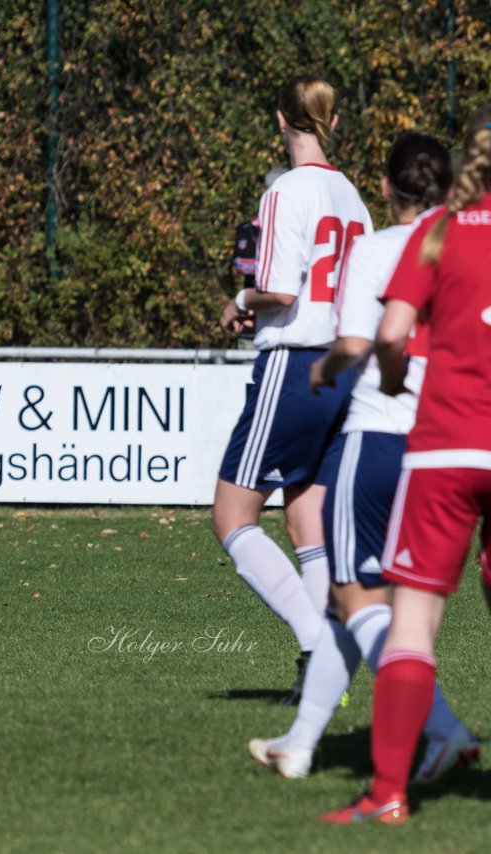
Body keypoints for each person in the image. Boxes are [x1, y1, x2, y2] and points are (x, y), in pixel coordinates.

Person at [249, 133, 476, 780]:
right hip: (441, 439)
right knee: (355, 601)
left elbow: (357, 342)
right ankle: (299, 742)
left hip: (378, 433)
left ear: (385, 188)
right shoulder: (463, 244)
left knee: (355, 596)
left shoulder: (377, 250)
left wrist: (323, 373)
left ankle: (444, 727)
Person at [322, 105, 491, 825]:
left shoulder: (439, 230)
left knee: (414, 621)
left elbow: (391, 332)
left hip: (448, 446)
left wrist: (393, 381)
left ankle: (387, 794)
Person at [215, 75, 372, 705]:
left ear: (281, 118)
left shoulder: (286, 189)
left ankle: (318, 643)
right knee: (306, 514)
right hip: (346, 364)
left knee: (232, 516)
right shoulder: (352, 195)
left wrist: (238, 302)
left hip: (296, 361)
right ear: (330, 120)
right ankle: (318, 674)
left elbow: (279, 291)